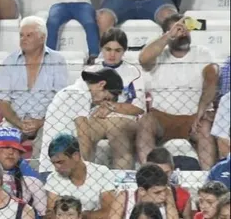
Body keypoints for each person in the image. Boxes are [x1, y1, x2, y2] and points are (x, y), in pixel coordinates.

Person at [137, 14, 219, 168]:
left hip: (194, 117)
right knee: (146, 122)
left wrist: (201, 111)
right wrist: (169, 36)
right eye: (178, 29)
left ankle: (206, 177)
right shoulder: (158, 53)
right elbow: (143, 59)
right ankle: (147, 172)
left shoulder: (203, 53)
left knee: (205, 129)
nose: (183, 32)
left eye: (185, 29)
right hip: (161, 117)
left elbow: (211, 81)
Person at [0, 17, 70, 141]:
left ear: (42, 38)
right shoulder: (8, 62)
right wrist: (19, 123)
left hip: (47, 122)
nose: (24, 39)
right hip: (15, 121)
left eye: (29, 35)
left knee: (50, 143)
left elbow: (61, 99)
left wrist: (41, 122)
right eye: (21, 35)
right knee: (3, 143)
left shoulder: (57, 60)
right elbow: (3, 103)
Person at [76, 66, 144, 169]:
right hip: (97, 121)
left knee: (116, 129)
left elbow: (140, 109)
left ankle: (122, 177)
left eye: (107, 100)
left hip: (121, 123)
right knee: (87, 133)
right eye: (105, 98)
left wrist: (112, 107)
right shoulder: (81, 94)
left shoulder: (119, 105)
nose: (104, 103)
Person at [44, 134, 121, 219]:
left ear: (75, 156)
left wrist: (80, 216)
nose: (56, 168)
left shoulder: (101, 172)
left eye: (60, 162)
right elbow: (50, 214)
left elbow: (108, 212)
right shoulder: (54, 178)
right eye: (54, 163)